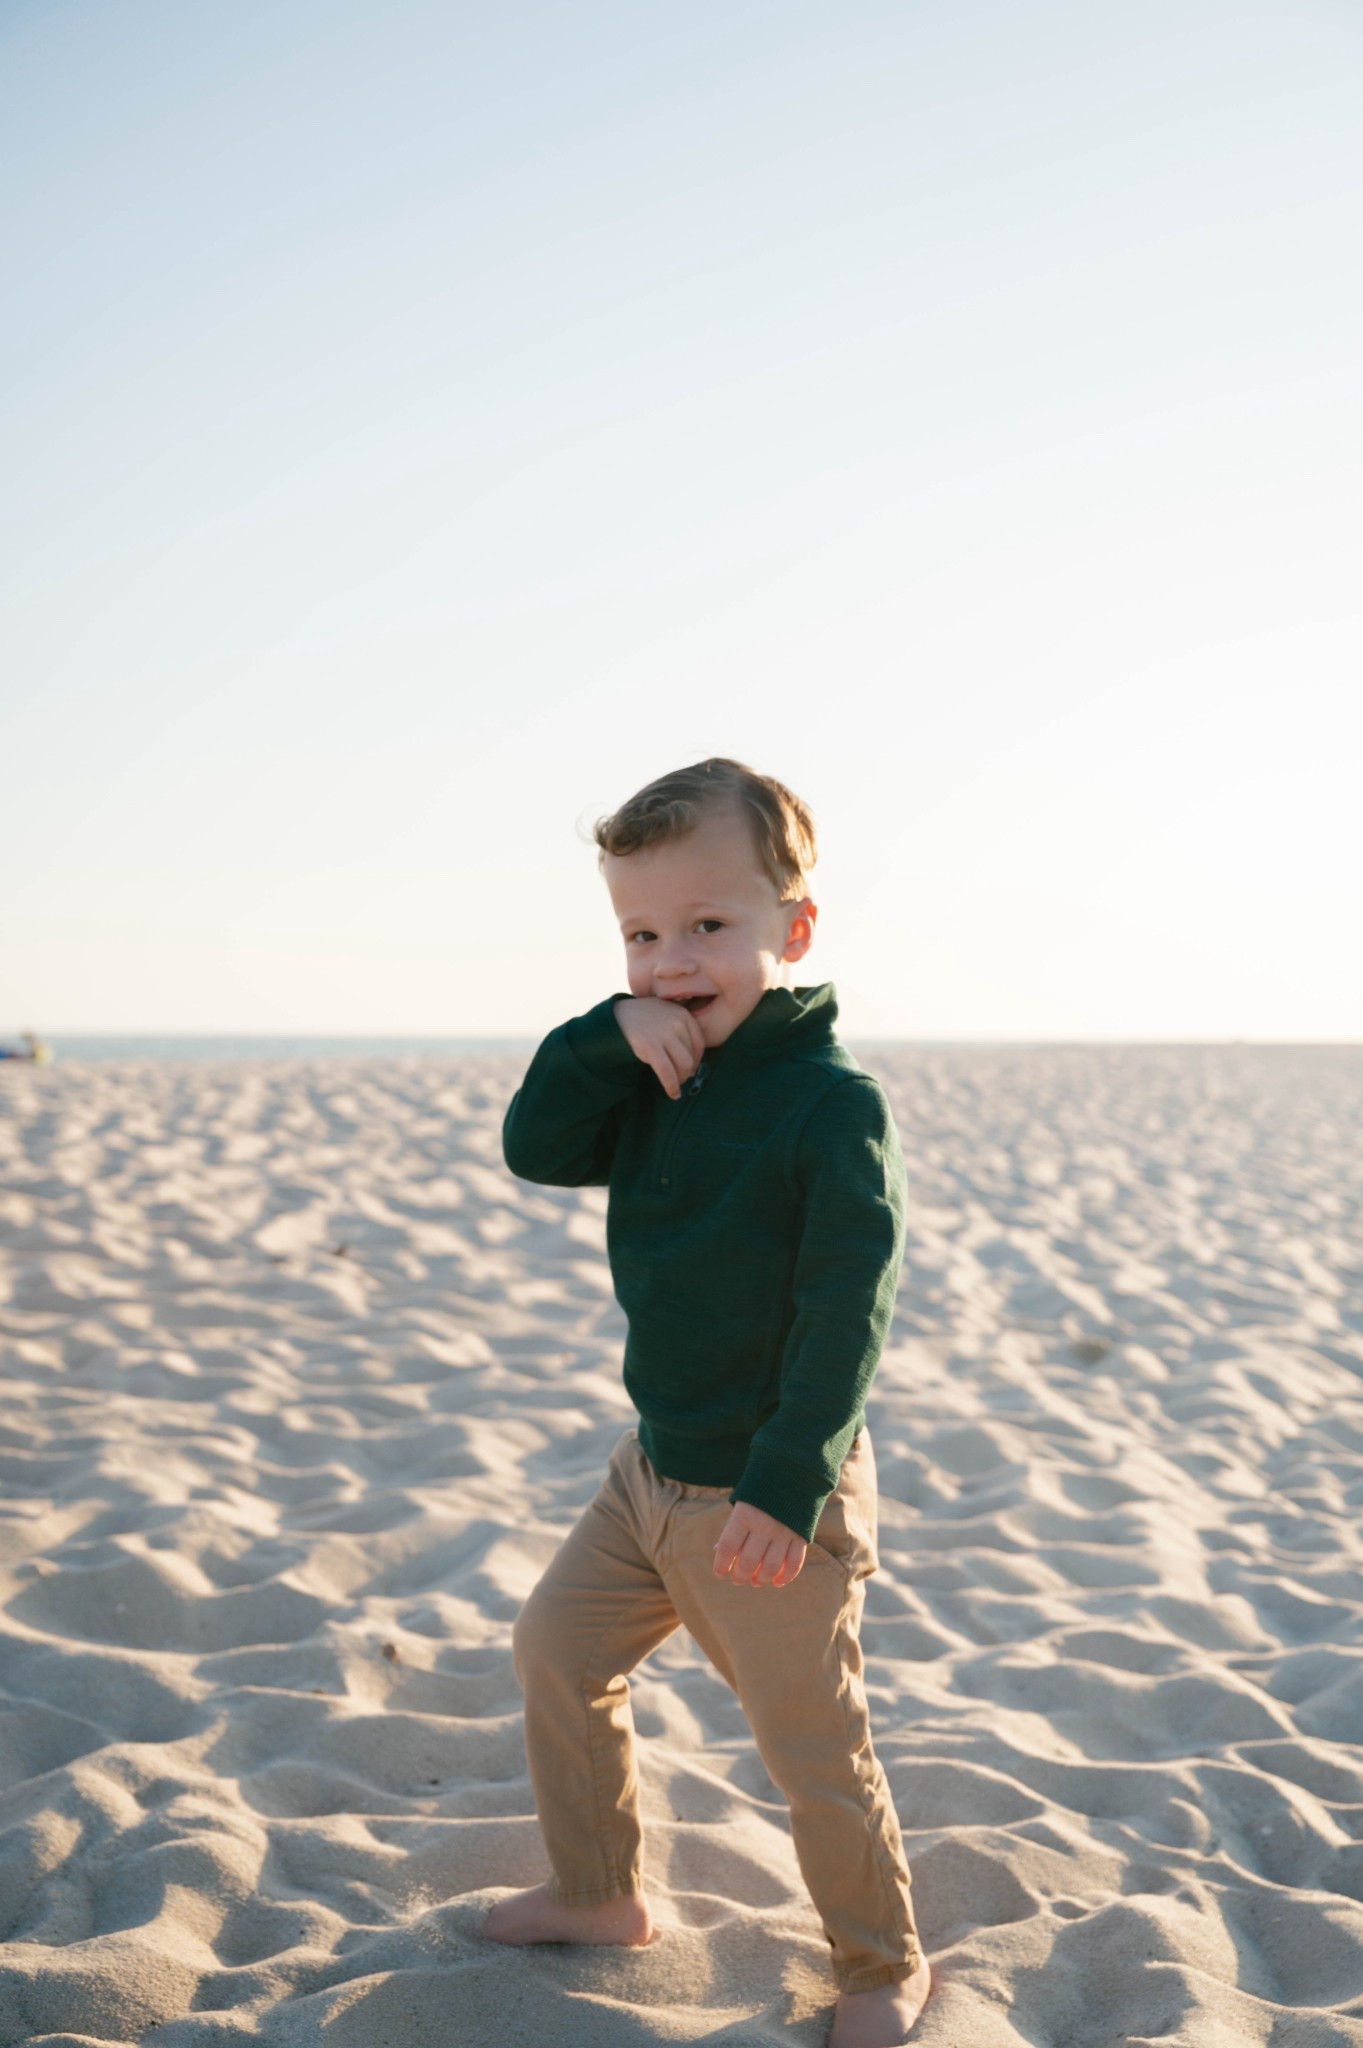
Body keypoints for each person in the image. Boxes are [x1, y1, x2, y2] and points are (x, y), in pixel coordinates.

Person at [484, 757, 929, 2046]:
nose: (673, 960)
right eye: (641, 933)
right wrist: (598, 1036)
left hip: (769, 1486)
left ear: (791, 929)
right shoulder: (650, 1064)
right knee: (558, 1655)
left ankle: (880, 1964)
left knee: (810, 1749)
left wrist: (788, 1486)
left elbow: (849, 1317)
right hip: (650, 1472)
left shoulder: (829, 1106)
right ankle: (598, 1895)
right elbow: (535, 1147)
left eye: (708, 926)